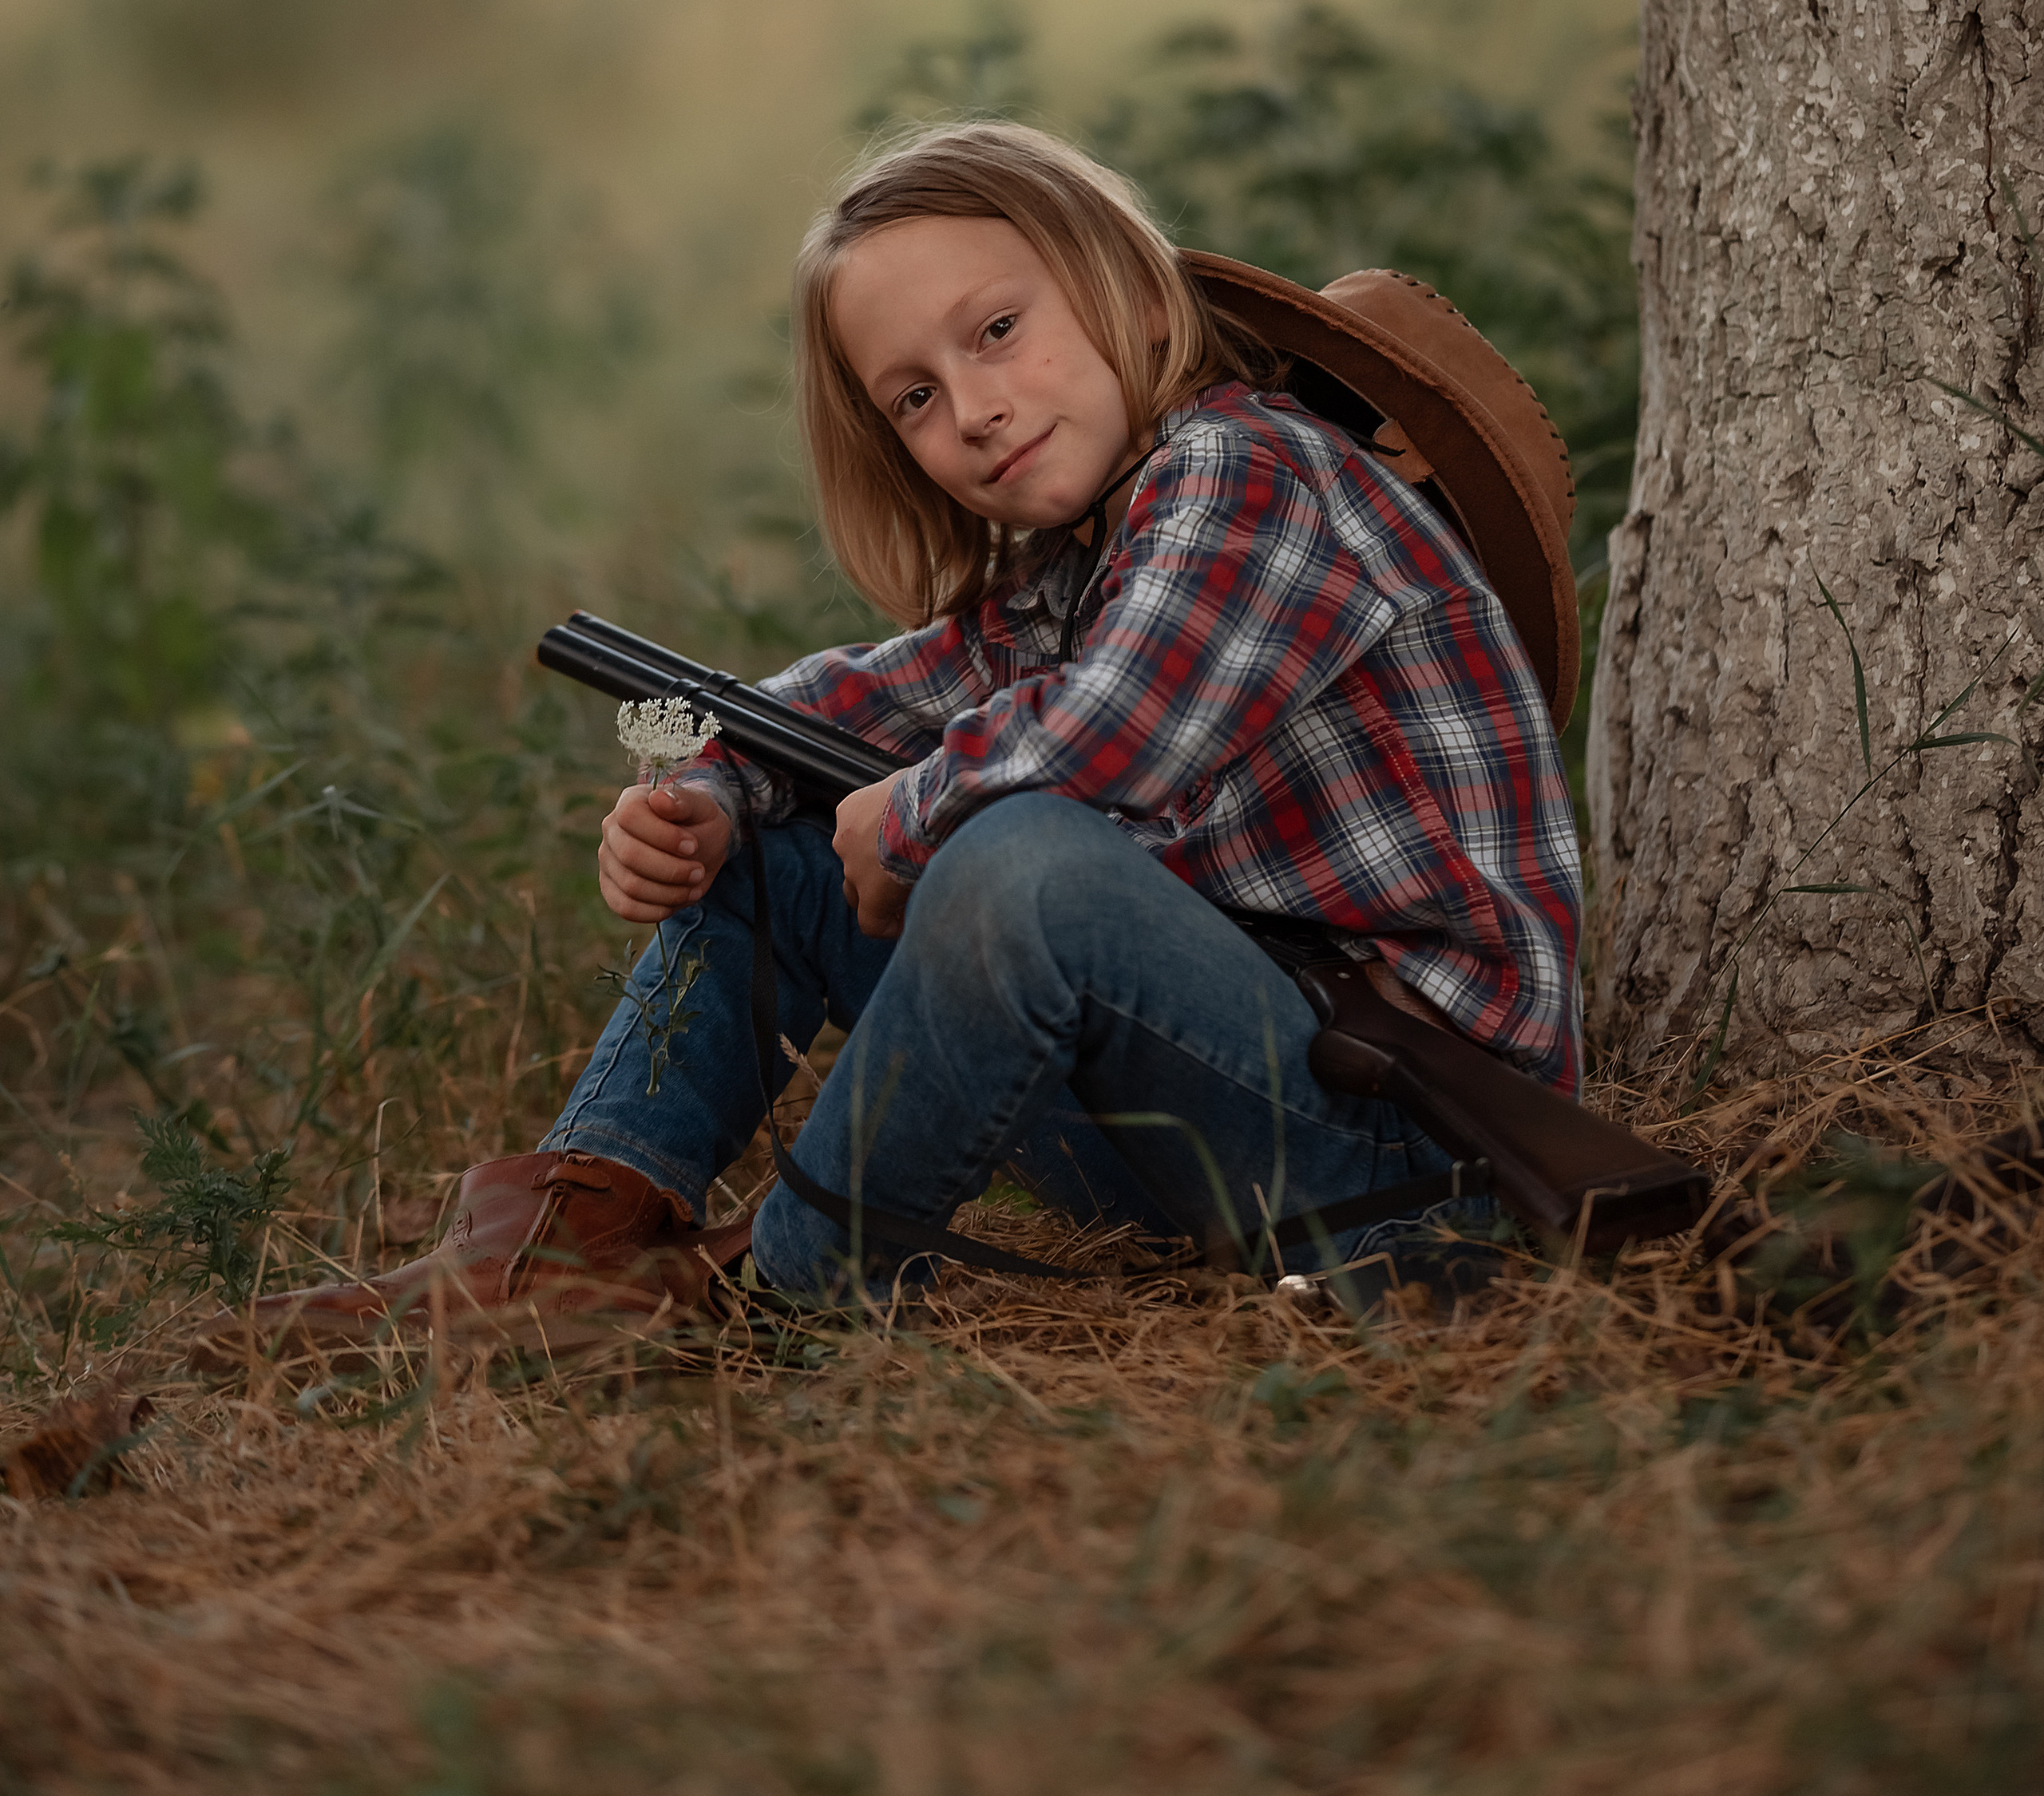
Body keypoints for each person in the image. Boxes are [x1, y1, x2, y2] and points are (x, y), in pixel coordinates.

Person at [201, 120, 1583, 1361]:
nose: (970, 407)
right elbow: (842, 702)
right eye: (912, 395)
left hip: (1412, 1154)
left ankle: (780, 1301)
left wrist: (913, 818)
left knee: (1026, 857)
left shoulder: (1254, 469)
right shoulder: (1069, 566)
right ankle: (559, 1247)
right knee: (784, 834)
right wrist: (707, 790)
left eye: (995, 331)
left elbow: (1109, 743)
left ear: (1120, 284)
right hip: (1214, 1122)